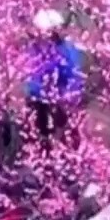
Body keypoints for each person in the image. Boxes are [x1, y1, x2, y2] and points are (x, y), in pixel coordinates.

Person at [25, 8, 85, 150]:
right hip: (40, 101)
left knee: (64, 135)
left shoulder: (65, 51)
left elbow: (73, 76)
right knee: (39, 135)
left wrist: (64, 96)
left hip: (60, 100)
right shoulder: (35, 49)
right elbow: (31, 77)